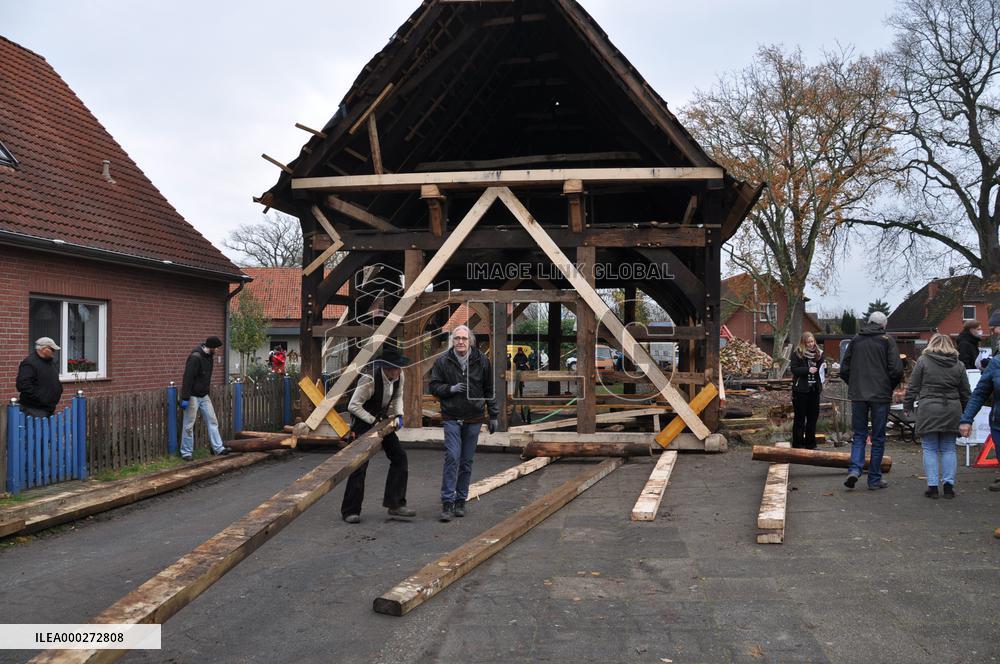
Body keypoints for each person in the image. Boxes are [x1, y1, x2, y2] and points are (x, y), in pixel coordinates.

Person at [429, 325, 499, 522]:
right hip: (451, 415)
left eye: (464, 338)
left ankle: (460, 501)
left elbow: (489, 388)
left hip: (474, 416)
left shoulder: (482, 361)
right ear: (452, 341)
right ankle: (447, 502)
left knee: (466, 461)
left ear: (471, 341)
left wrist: (493, 415)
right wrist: (450, 389)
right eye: (457, 338)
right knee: (452, 457)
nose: (460, 341)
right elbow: (433, 386)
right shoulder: (443, 361)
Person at [341, 350, 414, 523]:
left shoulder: (399, 376)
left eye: (399, 368)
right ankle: (350, 511)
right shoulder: (369, 379)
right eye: (396, 368)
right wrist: (372, 420)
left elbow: (398, 396)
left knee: (400, 457)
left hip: (381, 422)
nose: (399, 371)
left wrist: (399, 415)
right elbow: (353, 406)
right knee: (359, 466)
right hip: (362, 423)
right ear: (387, 368)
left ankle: (395, 504)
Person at [840, 311, 904, 490]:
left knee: (859, 435)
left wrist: (855, 384)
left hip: (859, 395)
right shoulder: (887, 341)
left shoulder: (855, 340)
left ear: (869, 322)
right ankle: (874, 478)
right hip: (880, 396)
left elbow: (844, 369)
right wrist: (888, 387)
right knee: (878, 437)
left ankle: (855, 469)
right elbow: (896, 370)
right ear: (884, 325)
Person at [904, 334, 970, 499]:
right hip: (952, 409)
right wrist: (968, 415)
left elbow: (913, 386)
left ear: (931, 344)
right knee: (949, 448)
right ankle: (948, 486)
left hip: (929, 408)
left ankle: (933, 486)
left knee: (930, 448)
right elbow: (965, 392)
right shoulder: (958, 364)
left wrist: (907, 405)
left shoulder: (923, 361)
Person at [960, 311, 1000, 493]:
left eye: (995, 327)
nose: (994, 332)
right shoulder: (996, 363)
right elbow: (979, 394)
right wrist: (966, 419)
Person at [180, 336, 230, 461]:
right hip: (192, 396)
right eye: (216, 348)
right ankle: (186, 453)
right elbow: (187, 378)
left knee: (212, 421)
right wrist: (185, 397)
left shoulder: (209, 357)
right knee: (188, 425)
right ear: (211, 347)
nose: (217, 350)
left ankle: (218, 449)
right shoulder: (195, 357)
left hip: (204, 395)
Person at [789, 332, 824, 449]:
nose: (810, 344)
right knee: (800, 419)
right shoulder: (797, 354)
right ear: (803, 343)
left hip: (814, 390)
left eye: (812, 341)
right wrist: (808, 370)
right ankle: (798, 444)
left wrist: (824, 368)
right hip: (800, 391)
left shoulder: (819, 354)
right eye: (808, 342)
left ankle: (811, 444)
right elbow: (794, 369)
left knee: (812, 418)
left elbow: (821, 371)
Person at [16, 337, 64, 418]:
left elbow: (54, 379)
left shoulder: (50, 362)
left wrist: (59, 389)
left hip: (48, 408)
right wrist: (41, 399)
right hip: (34, 409)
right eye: (52, 349)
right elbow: (23, 385)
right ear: (44, 349)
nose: (54, 352)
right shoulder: (29, 363)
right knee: (37, 426)